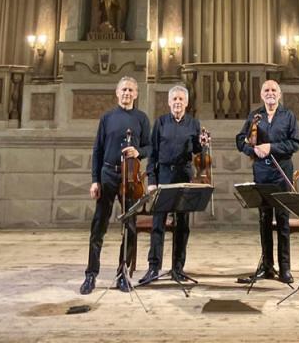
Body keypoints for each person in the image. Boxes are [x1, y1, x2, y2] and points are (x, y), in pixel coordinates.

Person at [80, 76, 151, 295]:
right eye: (123, 90)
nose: (127, 93)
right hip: (108, 174)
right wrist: (95, 180)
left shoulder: (141, 118)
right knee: (98, 226)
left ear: (136, 94)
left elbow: (150, 148)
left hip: (130, 178)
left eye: (131, 90)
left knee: (129, 227)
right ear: (117, 92)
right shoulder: (107, 118)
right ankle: (91, 274)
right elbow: (97, 150)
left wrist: (138, 152)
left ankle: (123, 274)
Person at [139, 85, 206, 285]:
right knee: (158, 224)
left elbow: (197, 151)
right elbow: (152, 153)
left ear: (186, 103)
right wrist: (152, 180)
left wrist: (202, 144)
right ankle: (153, 267)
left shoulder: (194, 124)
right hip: (164, 176)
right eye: (174, 99)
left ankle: (178, 268)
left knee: (182, 225)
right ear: (169, 103)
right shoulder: (160, 122)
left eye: (180, 99)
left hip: (184, 175)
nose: (177, 102)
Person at [236, 80, 299, 284]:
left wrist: (271, 147)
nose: (270, 93)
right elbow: (240, 140)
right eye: (266, 90)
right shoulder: (255, 116)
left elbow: (295, 143)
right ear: (261, 94)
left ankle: (285, 268)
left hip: (281, 173)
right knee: (264, 220)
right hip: (262, 172)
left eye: (274, 90)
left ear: (279, 94)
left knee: (282, 220)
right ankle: (267, 267)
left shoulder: (288, 115)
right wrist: (253, 150)